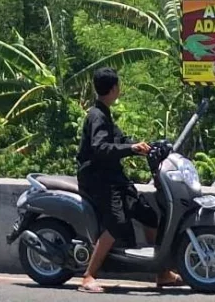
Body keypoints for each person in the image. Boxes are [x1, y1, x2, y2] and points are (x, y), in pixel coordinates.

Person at [76, 68, 182, 293]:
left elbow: (120, 138)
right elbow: (100, 147)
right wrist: (130, 149)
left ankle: (161, 271)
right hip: (98, 179)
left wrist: (145, 146)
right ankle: (88, 276)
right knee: (117, 223)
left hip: (113, 176)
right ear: (114, 88)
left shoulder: (104, 112)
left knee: (149, 215)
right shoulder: (96, 116)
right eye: (119, 86)